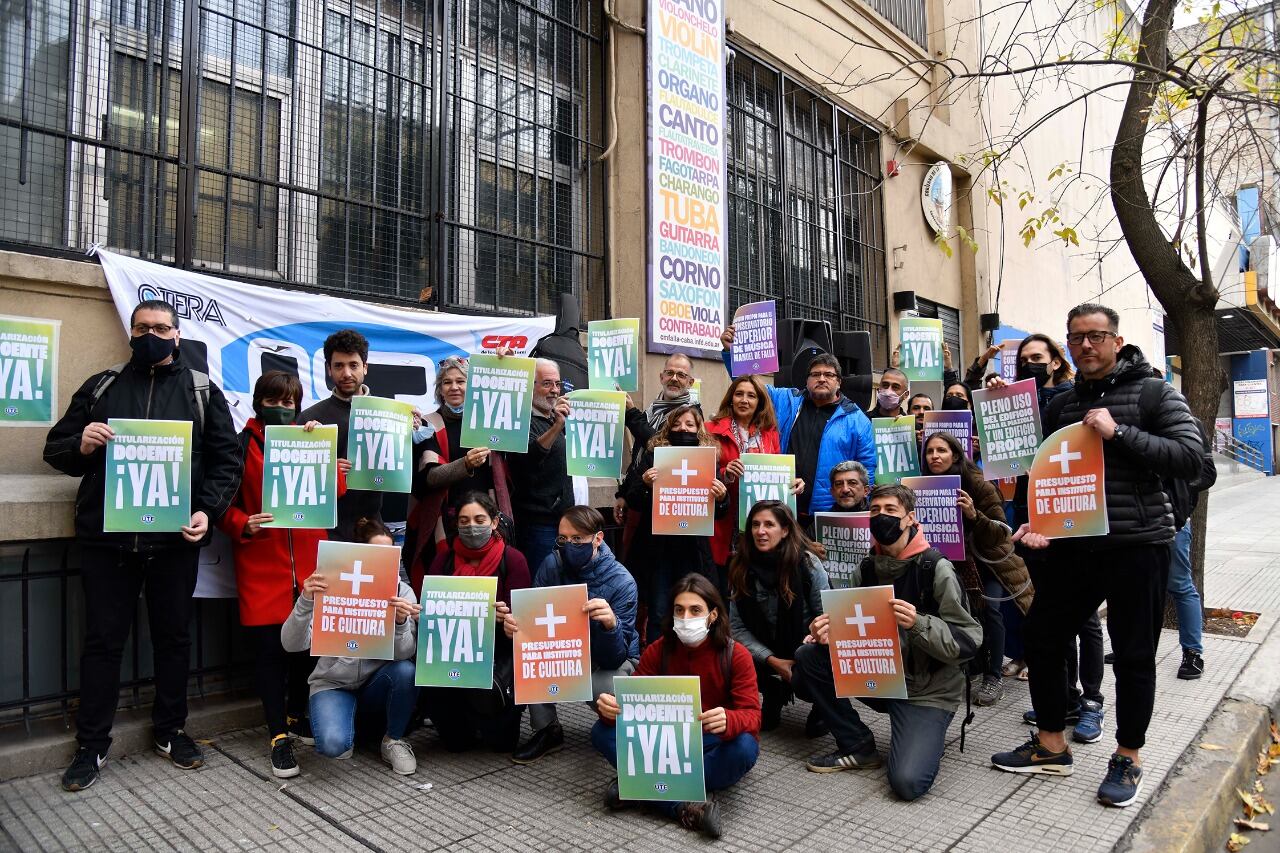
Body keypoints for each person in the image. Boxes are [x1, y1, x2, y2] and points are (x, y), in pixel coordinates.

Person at [992, 303, 1203, 809]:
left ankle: (1128, 756)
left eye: (1095, 336)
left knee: (1132, 656)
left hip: (1138, 546)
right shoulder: (1063, 403)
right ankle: (1051, 744)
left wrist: (1120, 432)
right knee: (1042, 637)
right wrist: (1038, 523)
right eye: (1077, 338)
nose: (1086, 345)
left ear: (1115, 340)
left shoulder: (1154, 391)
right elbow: (1039, 469)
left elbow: (1192, 457)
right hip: (1074, 548)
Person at [45, 298, 242, 792]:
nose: (151, 334)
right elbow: (56, 448)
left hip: (174, 542)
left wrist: (207, 512)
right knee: (102, 642)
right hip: (108, 543)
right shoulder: (102, 386)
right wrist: (82, 444)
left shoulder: (201, 391)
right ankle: (92, 744)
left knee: (174, 639)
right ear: (130, 333)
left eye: (160, 327)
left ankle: (171, 730)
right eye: (142, 327)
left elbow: (226, 461)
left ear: (177, 336)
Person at [794, 484, 983, 801]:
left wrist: (919, 624)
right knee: (809, 657)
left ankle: (921, 729)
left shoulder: (936, 569)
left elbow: (968, 640)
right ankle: (857, 746)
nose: (881, 517)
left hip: (928, 689)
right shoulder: (867, 567)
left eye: (890, 510)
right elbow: (850, 626)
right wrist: (824, 631)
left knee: (907, 783)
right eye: (875, 511)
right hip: (881, 676)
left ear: (910, 518)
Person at [219, 370, 351, 778]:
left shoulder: (309, 437)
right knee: (270, 653)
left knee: (306, 650)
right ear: (259, 402)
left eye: (289, 401)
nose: (282, 408)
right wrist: (244, 523)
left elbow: (335, 496)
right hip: (263, 566)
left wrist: (332, 463)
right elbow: (221, 502)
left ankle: (297, 716)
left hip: (310, 565)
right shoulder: (239, 445)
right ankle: (278, 735)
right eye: (273, 401)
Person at [986, 335, 1103, 736]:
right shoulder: (1025, 402)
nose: (1029, 364)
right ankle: (1066, 700)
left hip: (1076, 515)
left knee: (1084, 617)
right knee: (1054, 610)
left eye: (1037, 358)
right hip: (1037, 516)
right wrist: (999, 400)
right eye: (1023, 360)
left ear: (1056, 361)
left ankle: (1092, 702)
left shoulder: (1074, 398)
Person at [592, 573, 760, 839]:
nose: (686, 617)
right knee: (601, 732)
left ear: (713, 615)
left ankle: (641, 788)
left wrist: (729, 719)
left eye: (696, 610)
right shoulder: (659, 650)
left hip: (708, 741)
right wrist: (611, 711)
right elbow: (631, 707)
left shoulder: (735, 655)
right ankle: (685, 806)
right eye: (679, 610)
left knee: (745, 748)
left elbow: (751, 715)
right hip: (665, 745)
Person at [280, 516, 422, 776]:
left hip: (376, 681)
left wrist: (400, 623)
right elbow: (291, 644)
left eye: (391, 554)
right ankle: (348, 724)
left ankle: (393, 739)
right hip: (333, 683)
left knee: (406, 672)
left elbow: (405, 653)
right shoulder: (329, 585)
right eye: (377, 553)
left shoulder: (402, 592)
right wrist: (306, 600)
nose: (384, 561)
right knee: (334, 746)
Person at [501, 506, 640, 763]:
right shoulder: (552, 564)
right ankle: (547, 729)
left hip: (607, 659)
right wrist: (515, 627)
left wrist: (612, 625)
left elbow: (616, 656)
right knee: (533, 659)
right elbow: (533, 623)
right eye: (563, 539)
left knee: (604, 687)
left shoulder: (623, 582)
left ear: (598, 538)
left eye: (577, 539)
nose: (569, 545)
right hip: (566, 649)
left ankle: (626, 730)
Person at [921, 432, 1031, 707]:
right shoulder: (923, 486)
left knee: (991, 610)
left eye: (941, 451)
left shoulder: (979, 485)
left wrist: (974, 516)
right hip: (948, 563)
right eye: (930, 451)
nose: (935, 456)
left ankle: (993, 677)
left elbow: (1001, 533)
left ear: (955, 455)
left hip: (987, 563)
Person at [720, 327, 876, 519]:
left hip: (828, 512)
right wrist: (731, 353)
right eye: (815, 374)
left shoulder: (857, 420)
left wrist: (859, 512)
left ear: (839, 382)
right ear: (807, 380)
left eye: (828, 375)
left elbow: (866, 469)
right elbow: (751, 387)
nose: (821, 379)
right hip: (783, 506)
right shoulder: (788, 400)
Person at [420, 492, 532, 751]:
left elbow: (524, 622)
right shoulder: (444, 559)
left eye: (479, 519)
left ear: (494, 522)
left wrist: (508, 620)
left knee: (500, 744)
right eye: (464, 520)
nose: (471, 526)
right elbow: (430, 613)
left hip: (497, 659)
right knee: (456, 744)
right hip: (452, 656)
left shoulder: (512, 560)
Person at [622, 406, 730, 643]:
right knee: (660, 610)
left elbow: (719, 514)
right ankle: (657, 666)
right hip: (659, 551)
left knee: (693, 610)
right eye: (677, 424)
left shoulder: (708, 460)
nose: (683, 428)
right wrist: (644, 483)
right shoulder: (654, 456)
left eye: (690, 424)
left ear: (698, 429)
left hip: (694, 551)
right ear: (668, 427)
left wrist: (722, 498)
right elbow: (634, 500)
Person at [406, 356, 512, 588]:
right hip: (445, 524)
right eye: (447, 382)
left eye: (461, 381)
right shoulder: (428, 425)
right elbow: (430, 477)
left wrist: (506, 366)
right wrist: (465, 464)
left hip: (487, 522)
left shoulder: (490, 422)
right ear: (439, 390)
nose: (454, 387)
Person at [729, 501, 830, 734]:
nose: (760, 531)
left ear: (785, 530)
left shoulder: (806, 563)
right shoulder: (740, 566)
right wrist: (773, 661)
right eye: (755, 524)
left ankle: (824, 704)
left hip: (805, 647)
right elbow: (737, 627)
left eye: (769, 525)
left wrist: (809, 646)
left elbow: (827, 617)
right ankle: (773, 694)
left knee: (815, 656)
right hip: (766, 648)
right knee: (729, 650)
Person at [299, 329, 380, 542]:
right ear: (328, 369)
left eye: (353, 365)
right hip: (325, 531)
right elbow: (297, 484)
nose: (346, 374)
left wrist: (415, 430)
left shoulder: (391, 415)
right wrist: (320, 460)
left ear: (365, 367)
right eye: (338, 366)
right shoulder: (310, 419)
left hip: (373, 529)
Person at [705, 375, 781, 582]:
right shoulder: (711, 429)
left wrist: (791, 483)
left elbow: (776, 473)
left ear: (760, 402)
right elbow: (699, 474)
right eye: (739, 394)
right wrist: (725, 474)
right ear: (731, 398)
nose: (744, 400)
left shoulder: (770, 433)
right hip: (723, 521)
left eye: (751, 395)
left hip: (756, 523)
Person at [507, 358, 575, 575]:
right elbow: (530, 456)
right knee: (540, 584)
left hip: (563, 522)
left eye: (557, 384)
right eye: (547, 384)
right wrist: (557, 427)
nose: (554, 390)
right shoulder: (520, 420)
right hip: (538, 526)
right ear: (530, 387)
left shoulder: (555, 418)